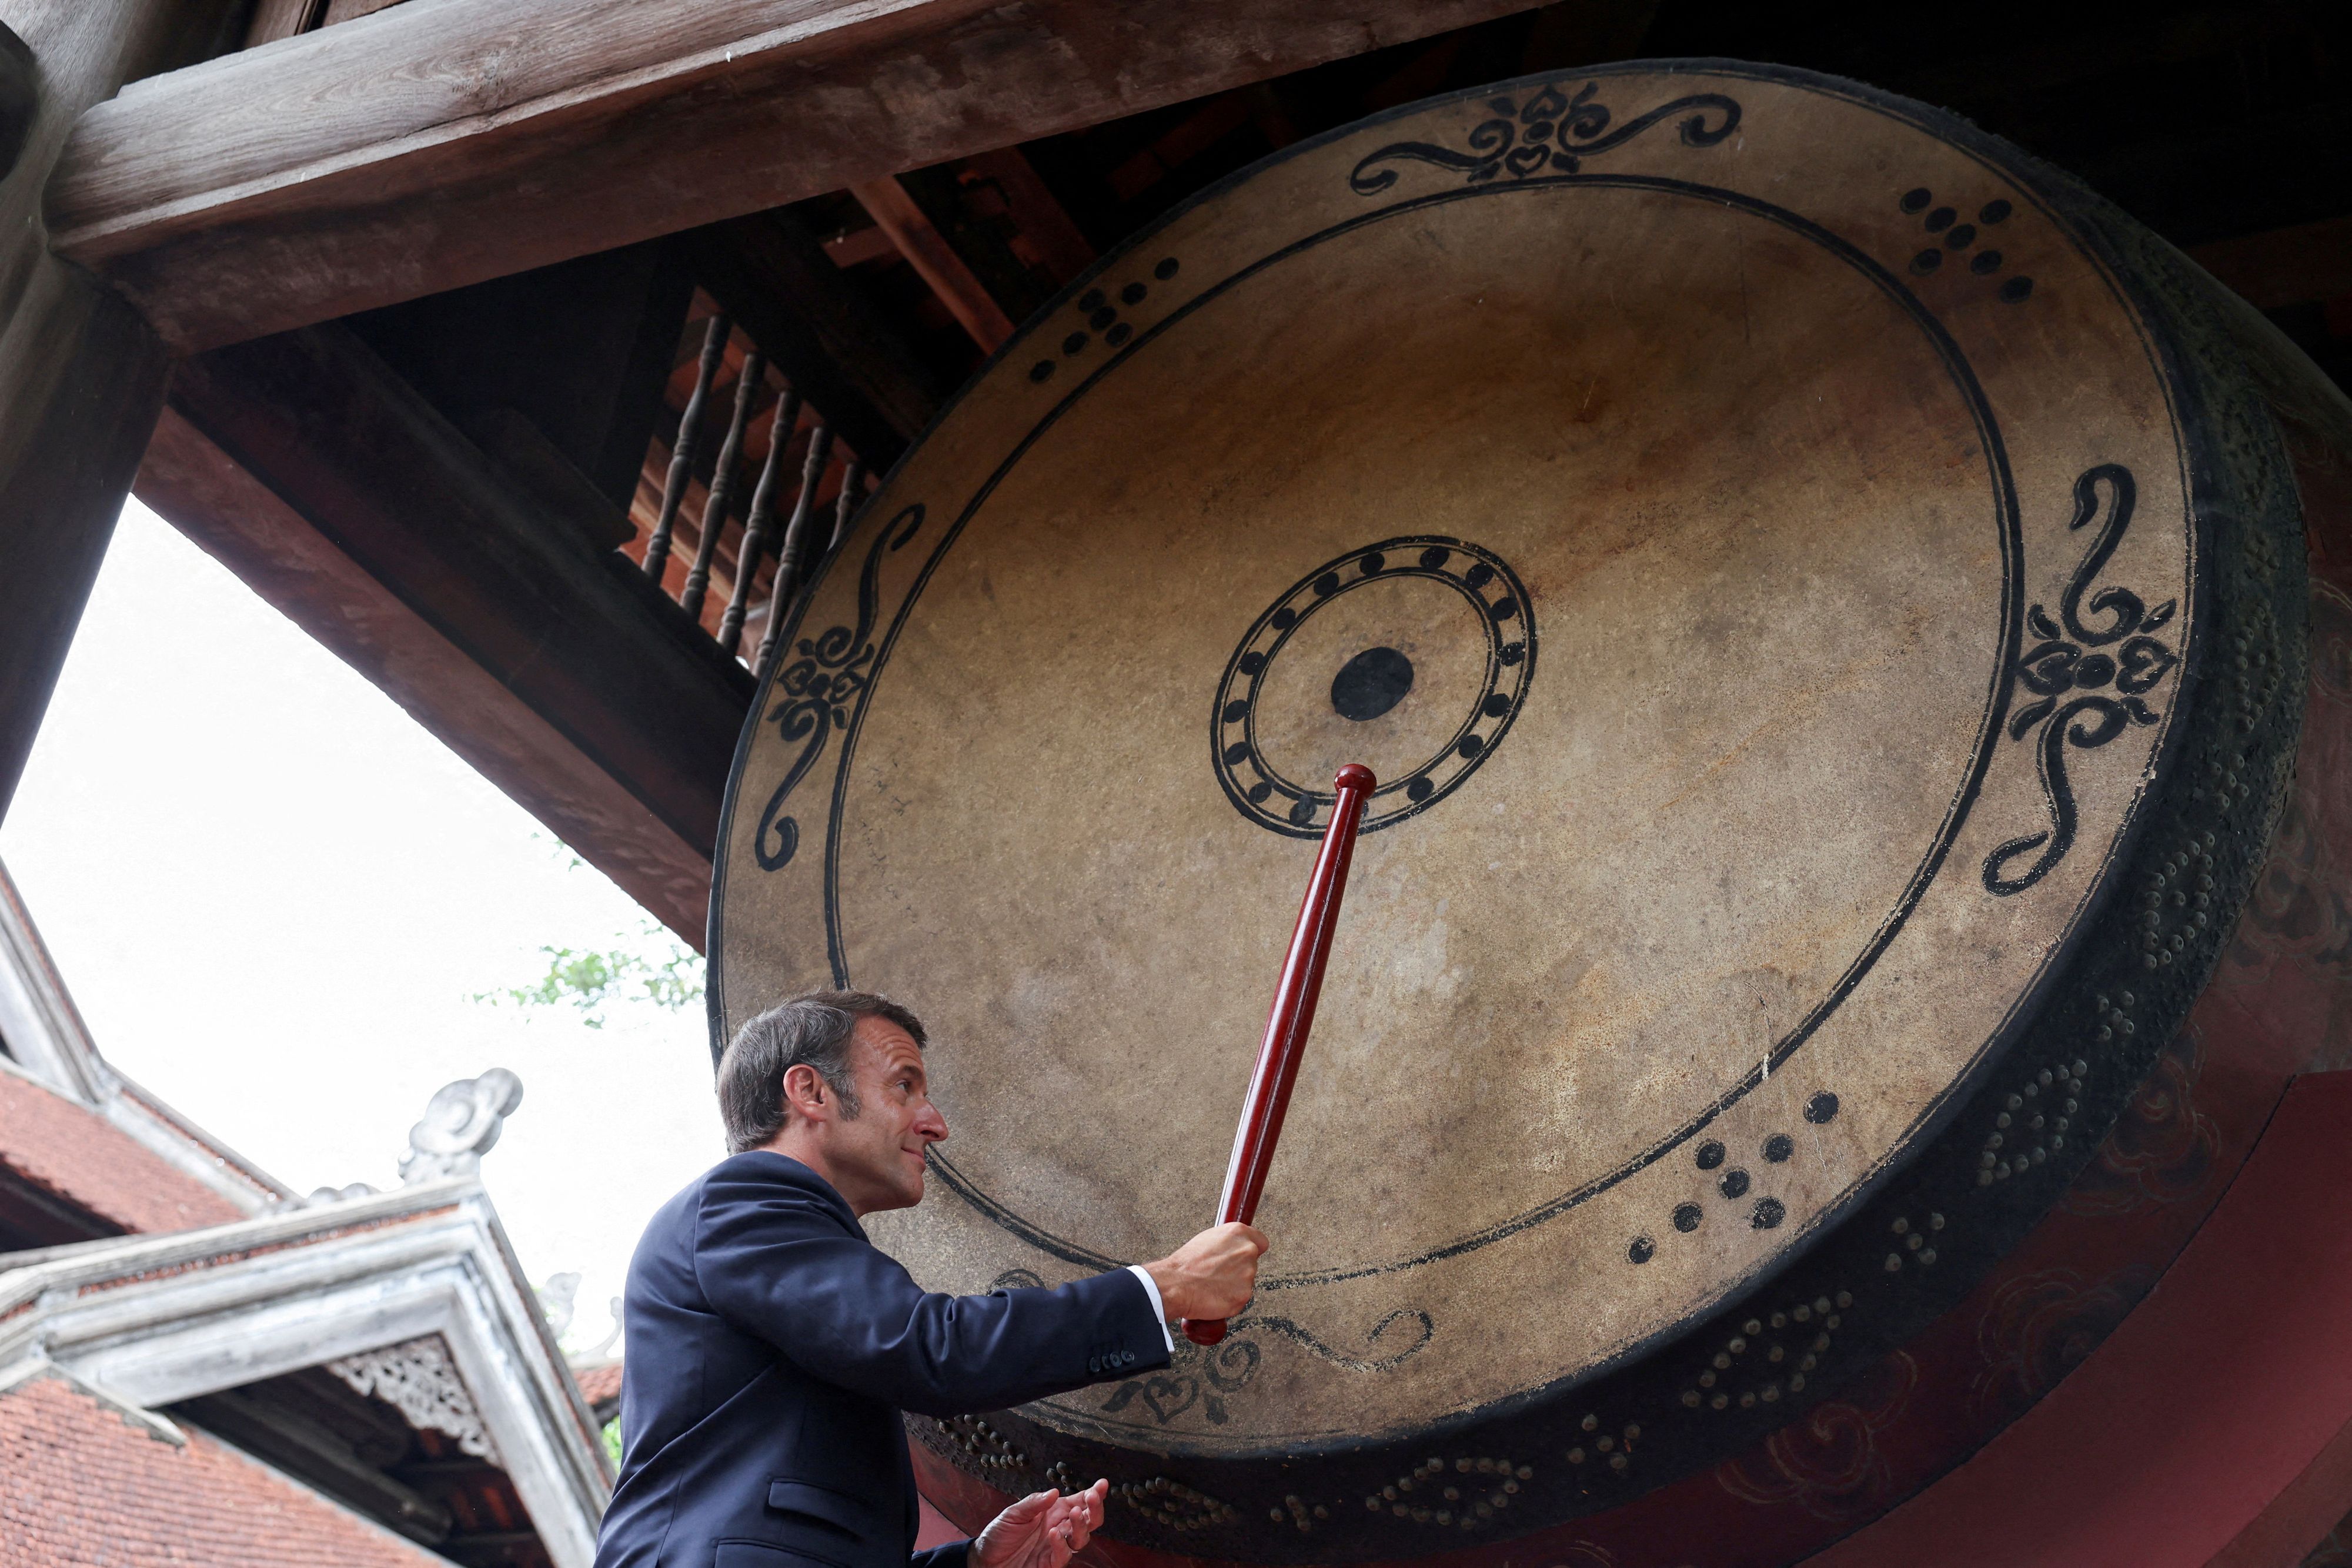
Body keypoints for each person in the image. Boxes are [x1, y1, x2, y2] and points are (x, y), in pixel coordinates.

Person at [594, 990, 1269, 1568]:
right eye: (903, 1085)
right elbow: (930, 1350)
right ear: (811, 1092)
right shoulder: (744, 1202)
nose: (935, 1123)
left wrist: (973, 1563)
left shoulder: (782, 1234)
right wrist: (1165, 1285)